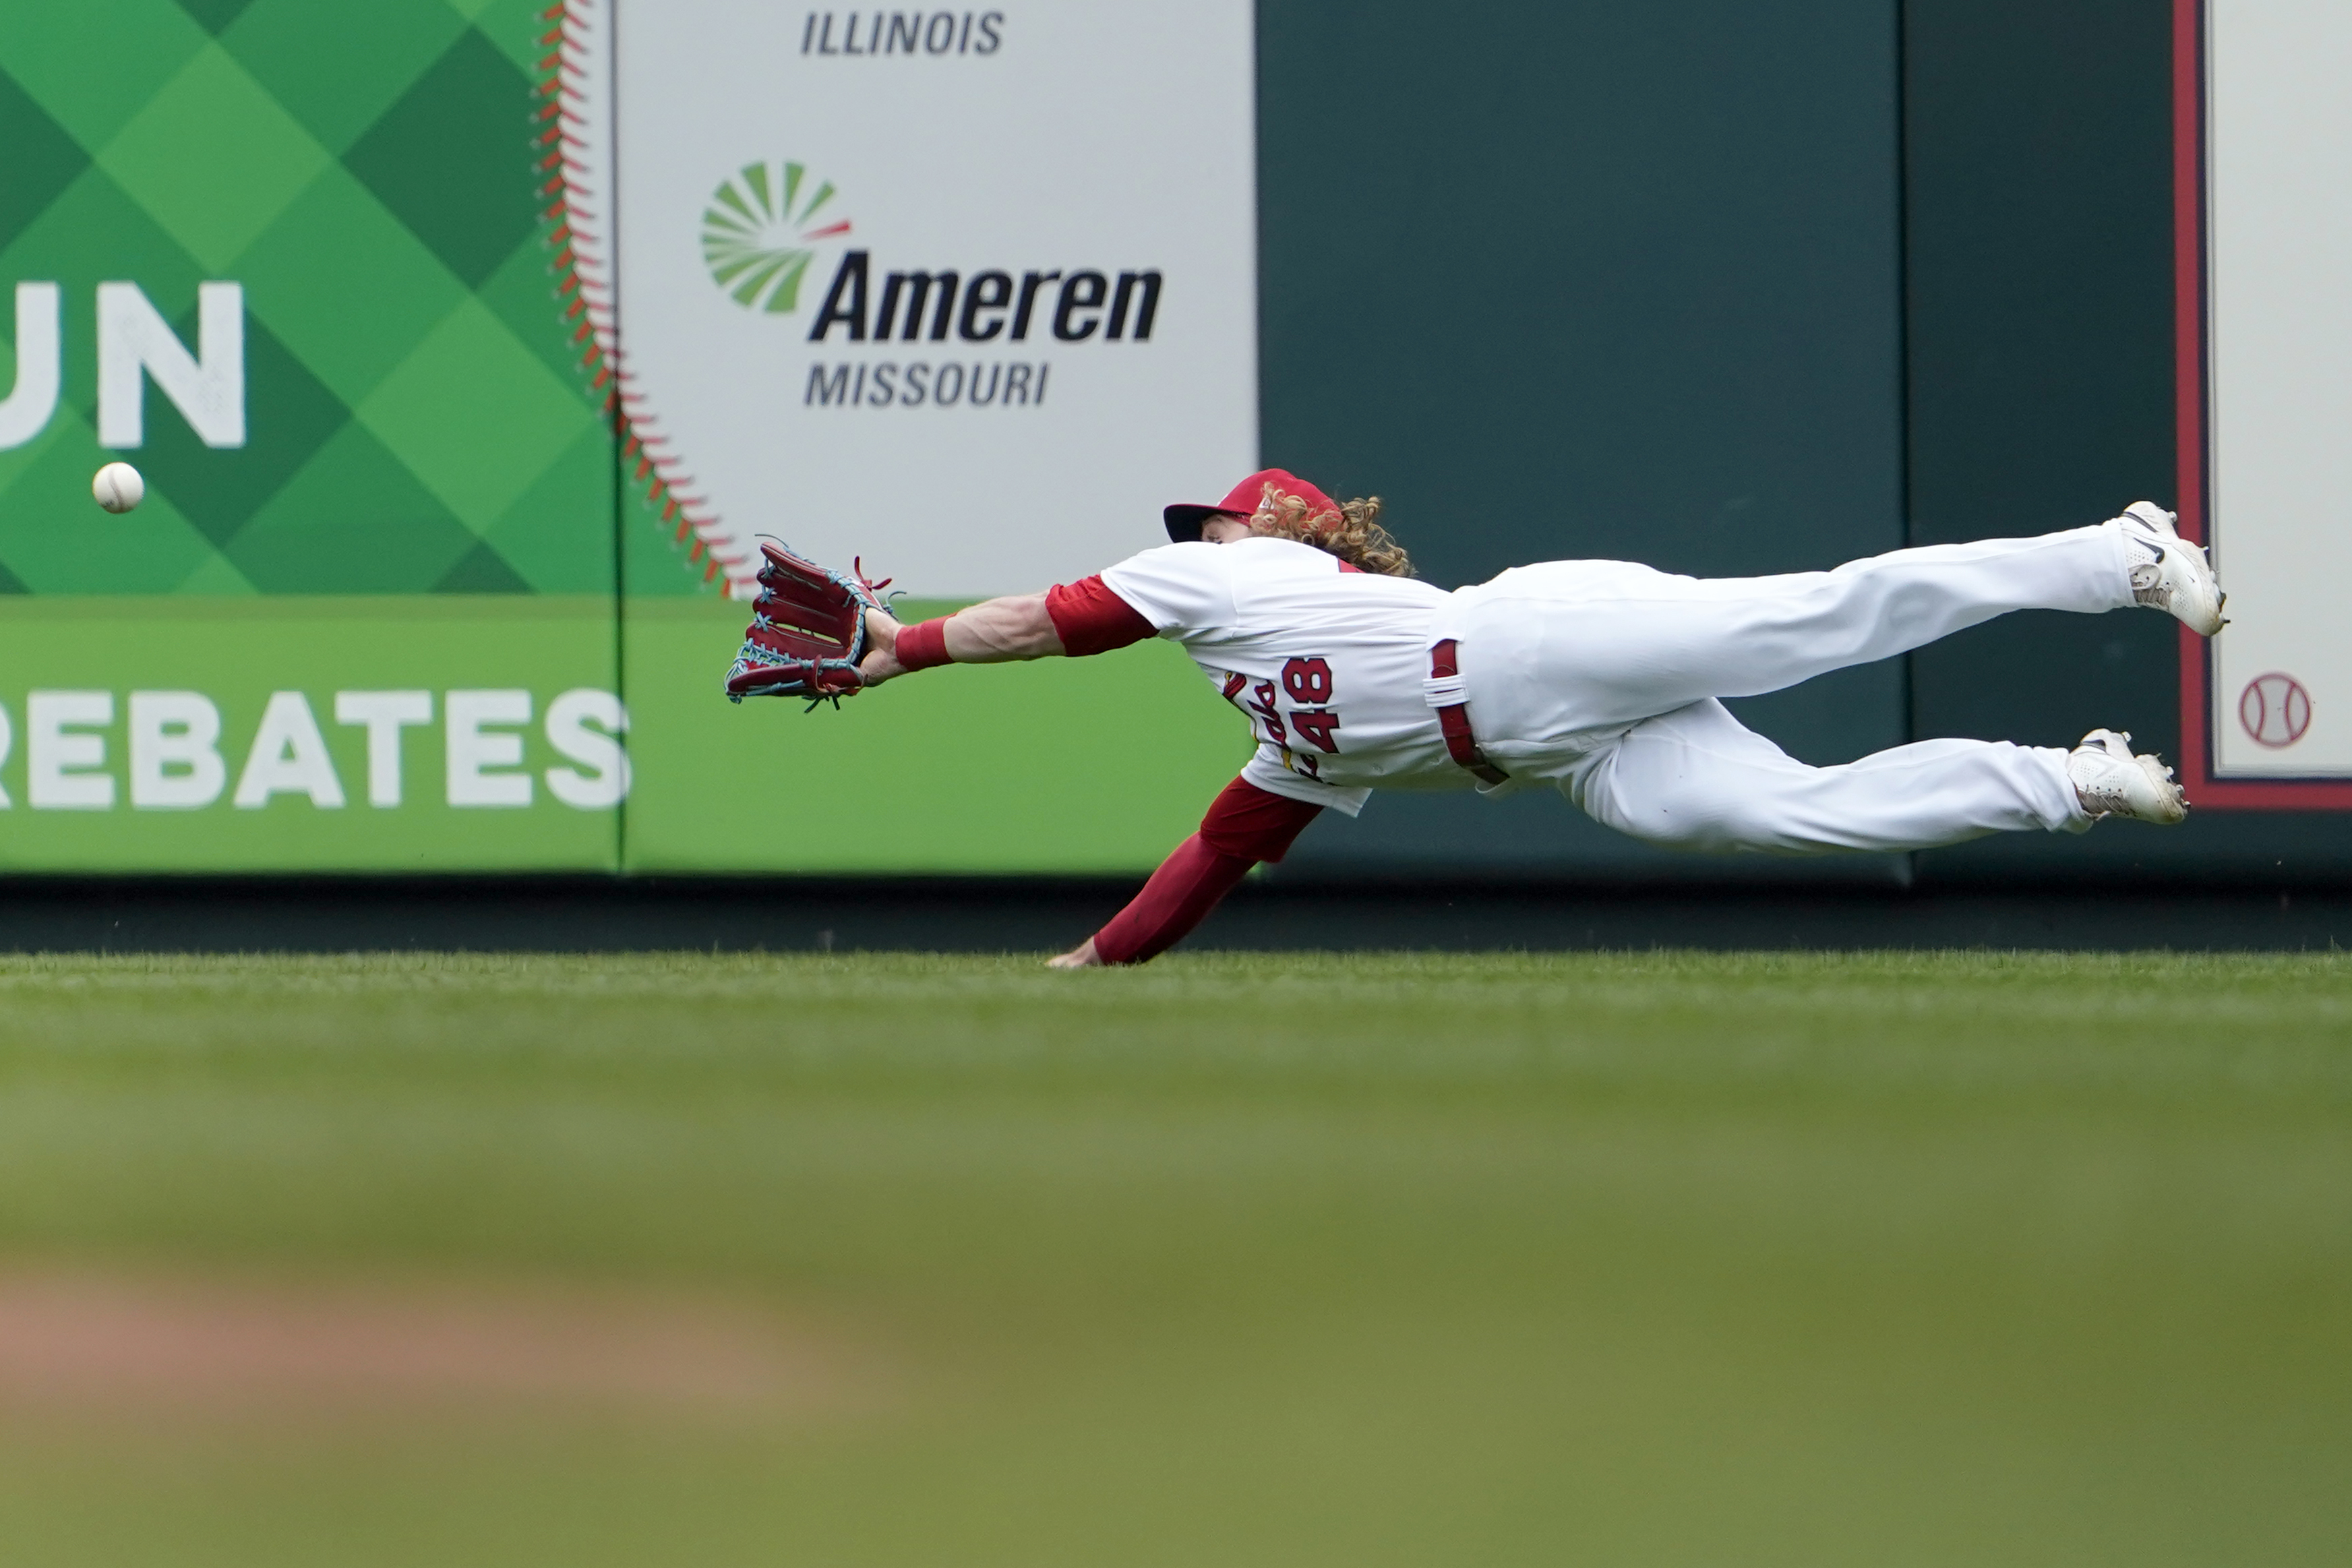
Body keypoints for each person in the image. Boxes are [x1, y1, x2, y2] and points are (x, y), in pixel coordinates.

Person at [853, 469, 2225, 968]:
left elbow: (1044, 619)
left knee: (1817, 614)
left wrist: (899, 652)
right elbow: (1220, 847)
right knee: (1774, 810)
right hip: (1567, 749)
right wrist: (1096, 961)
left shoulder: (1225, 570)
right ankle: (2068, 780)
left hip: (1539, 637)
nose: (1186, 529)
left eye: (1205, 513)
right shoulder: (1279, 720)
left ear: (1262, 521)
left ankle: (2111, 553)